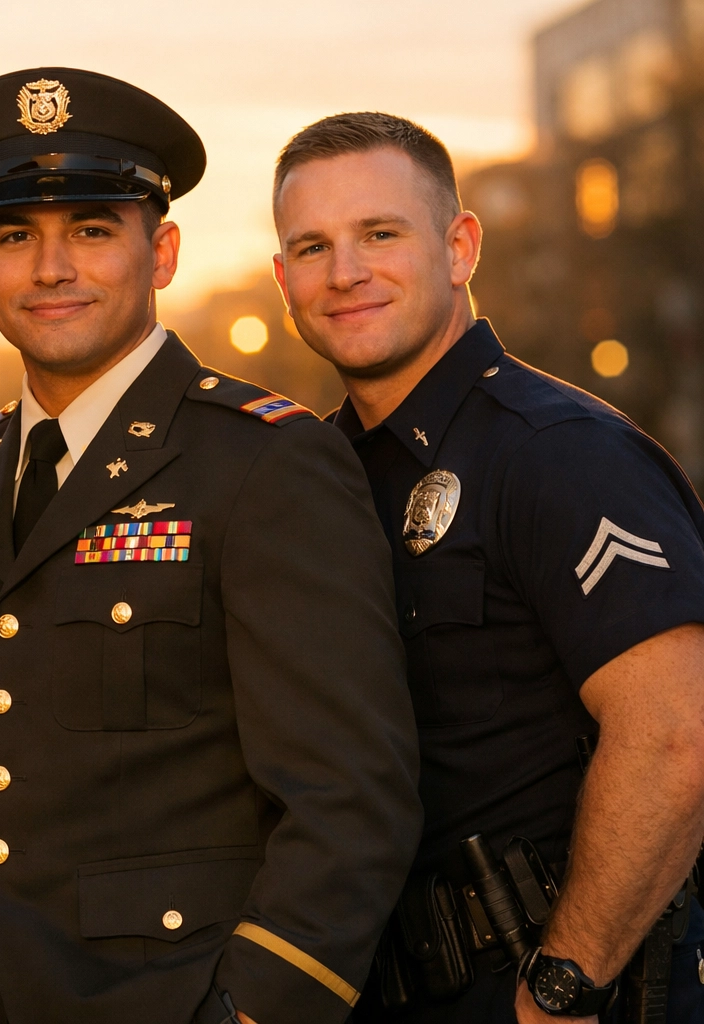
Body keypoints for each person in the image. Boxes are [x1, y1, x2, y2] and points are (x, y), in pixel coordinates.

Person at [0, 68, 423, 1024]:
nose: (51, 268)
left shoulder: (266, 463)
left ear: (165, 251)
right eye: (15, 236)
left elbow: (351, 809)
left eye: (93, 231)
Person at [270, 112, 704, 1024]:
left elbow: (678, 737)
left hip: (562, 986)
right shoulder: (321, 475)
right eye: (312, 247)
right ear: (283, 279)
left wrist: (560, 991)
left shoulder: (556, 453)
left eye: (380, 234)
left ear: (460, 246)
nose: (344, 272)